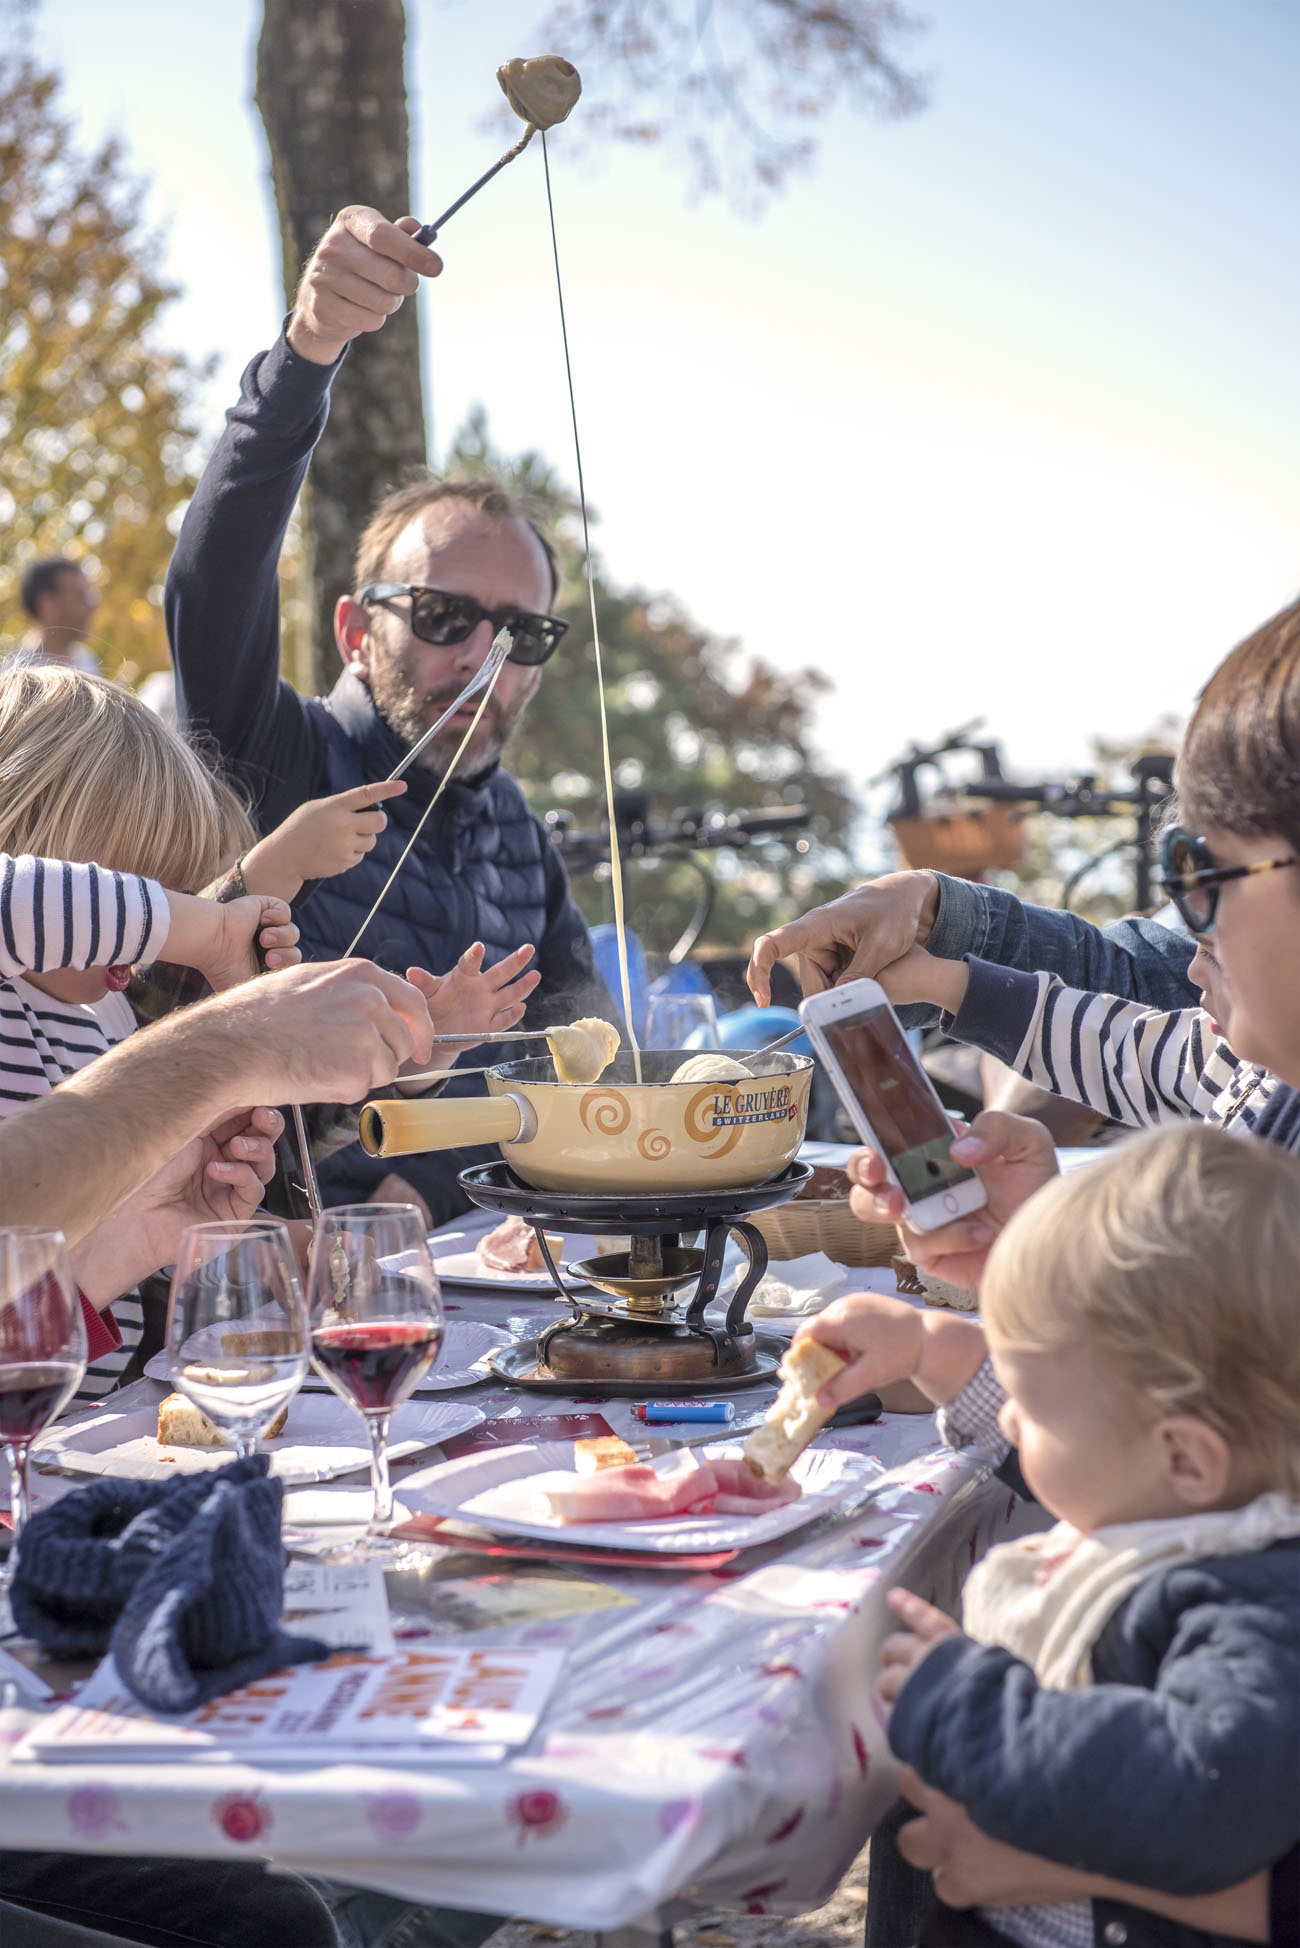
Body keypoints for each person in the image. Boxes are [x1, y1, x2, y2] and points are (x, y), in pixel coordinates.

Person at [167, 204, 614, 1227]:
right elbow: (210, 586)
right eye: (445, 615)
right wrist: (308, 351)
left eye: (522, 635)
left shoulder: (522, 843)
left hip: (464, 1289)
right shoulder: (267, 754)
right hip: (247, 1278)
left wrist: (430, 1186)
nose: (481, 658)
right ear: (353, 630)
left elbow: (583, 1069)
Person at [811, 1127, 1300, 1948]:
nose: (1008, 1417)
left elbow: (1202, 1791)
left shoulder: (1253, 1605)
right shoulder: (1180, 1511)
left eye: (1032, 1408)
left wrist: (971, 1704)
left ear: (1186, 1456)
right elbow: (1106, 1450)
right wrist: (930, 1347)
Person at [6, 557, 102, 674]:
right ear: (47, 603)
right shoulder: (14, 675)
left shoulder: (88, 662)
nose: (92, 607)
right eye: (79, 597)